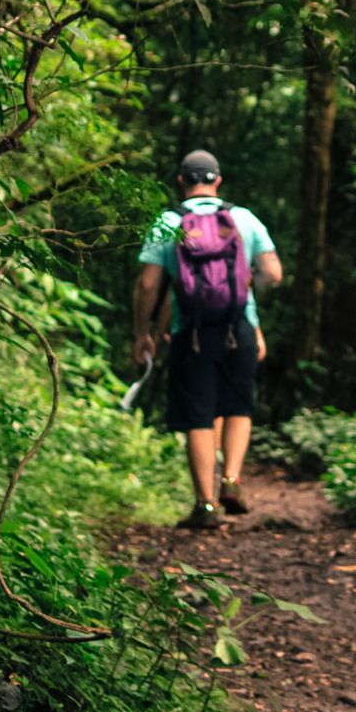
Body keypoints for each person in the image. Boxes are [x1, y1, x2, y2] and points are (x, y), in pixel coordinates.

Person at [133, 150, 282, 529]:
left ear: (180, 181)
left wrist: (143, 333)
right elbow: (273, 273)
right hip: (240, 327)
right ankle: (232, 479)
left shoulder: (169, 221)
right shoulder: (243, 218)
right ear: (218, 180)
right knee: (239, 407)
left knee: (198, 414)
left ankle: (206, 505)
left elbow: (150, 284)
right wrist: (249, 293)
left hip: (191, 332)